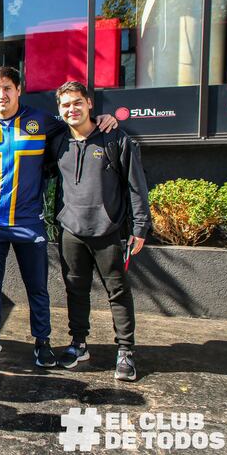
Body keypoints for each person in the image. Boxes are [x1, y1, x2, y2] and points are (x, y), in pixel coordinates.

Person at [0, 66, 117, 367]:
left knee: (36, 286)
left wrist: (103, 117)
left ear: (18, 89)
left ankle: (42, 342)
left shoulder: (42, 121)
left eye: (7, 88)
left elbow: (76, 126)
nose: (2, 94)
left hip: (29, 223)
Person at [46, 81, 151, 381]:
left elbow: (136, 186)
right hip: (71, 231)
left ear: (90, 103)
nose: (72, 109)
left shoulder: (114, 137)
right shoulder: (59, 141)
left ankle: (126, 352)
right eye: (65, 105)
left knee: (117, 292)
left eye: (77, 102)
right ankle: (79, 343)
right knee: (75, 290)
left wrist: (140, 226)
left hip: (107, 231)